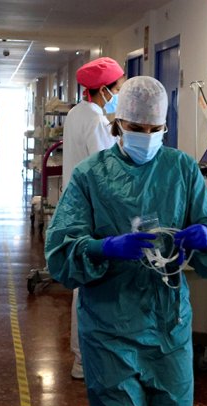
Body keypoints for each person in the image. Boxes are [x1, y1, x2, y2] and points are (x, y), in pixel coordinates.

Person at [45, 76, 207, 406]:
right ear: (118, 125)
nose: (145, 139)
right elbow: (60, 249)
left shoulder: (182, 170)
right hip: (110, 325)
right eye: (136, 129)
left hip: (167, 322)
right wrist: (104, 246)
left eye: (154, 131)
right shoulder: (91, 177)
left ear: (165, 128)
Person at [62, 56, 125, 379]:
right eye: (117, 87)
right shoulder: (97, 121)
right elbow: (107, 169)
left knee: (84, 282)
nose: (119, 92)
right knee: (90, 284)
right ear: (103, 90)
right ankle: (84, 360)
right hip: (92, 210)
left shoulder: (77, 113)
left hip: (77, 207)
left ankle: (82, 357)